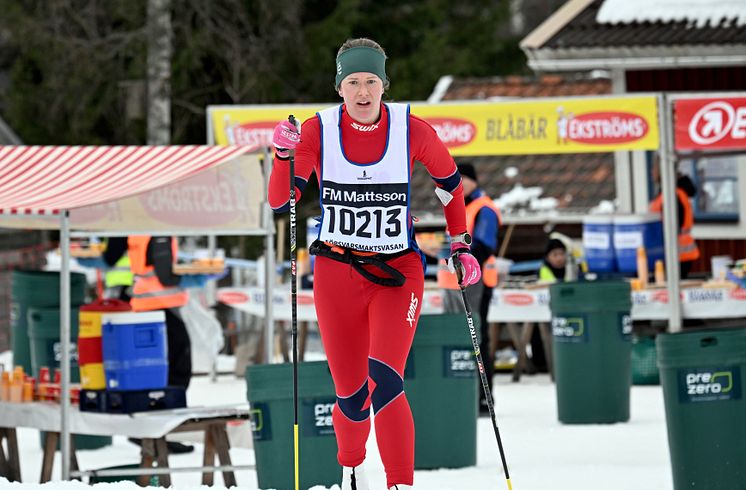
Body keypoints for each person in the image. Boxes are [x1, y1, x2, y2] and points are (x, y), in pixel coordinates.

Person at [268, 37, 481, 490]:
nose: (362, 92)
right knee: (349, 395)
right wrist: (283, 155)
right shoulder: (317, 131)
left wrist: (460, 245)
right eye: (352, 82)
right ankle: (353, 468)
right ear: (339, 87)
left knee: (384, 379)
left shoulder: (412, 129)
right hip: (336, 273)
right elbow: (280, 198)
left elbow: (450, 184)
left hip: (398, 272)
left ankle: (400, 484)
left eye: (371, 81)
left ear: (384, 85)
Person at [80, 236, 208, 454]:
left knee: (153, 372)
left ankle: (149, 431)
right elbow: (166, 277)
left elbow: (111, 257)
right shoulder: (158, 232)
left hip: (142, 304)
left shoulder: (133, 228)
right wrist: (195, 277)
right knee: (176, 371)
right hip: (162, 304)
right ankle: (160, 432)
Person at [437, 162, 501, 415]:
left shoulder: (483, 208)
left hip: (475, 282)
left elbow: (485, 246)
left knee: (476, 338)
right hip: (453, 283)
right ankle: (460, 392)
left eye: (463, 179)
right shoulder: (457, 206)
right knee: (455, 339)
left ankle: (483, 397)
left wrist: (465, 264)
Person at [649, 173, 700, 279]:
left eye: (654, 169)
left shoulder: (672, 195)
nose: (651, 173)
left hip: (675, 254)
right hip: (678, 253)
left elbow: (672, 225)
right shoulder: (673, 193)